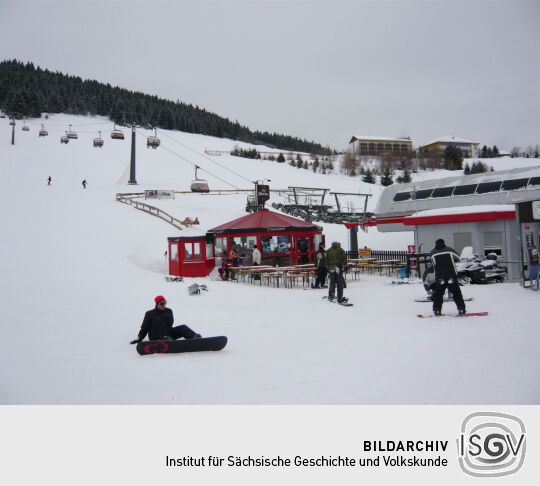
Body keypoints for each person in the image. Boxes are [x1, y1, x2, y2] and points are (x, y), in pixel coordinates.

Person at [130, 296, 201, 344]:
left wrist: (167, 319)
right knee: (160, 320)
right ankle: (166, 339)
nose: (164, 305)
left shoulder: (169, 311)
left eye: (165, 303)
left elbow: (170, 324)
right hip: (155, 336)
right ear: (157, 304)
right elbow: (144, 328)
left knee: (183, 327)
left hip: (168, 334)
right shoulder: (149, 313)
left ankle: (194, 338)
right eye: (162, 304)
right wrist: (139, 339)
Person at [430, 239, 466, 316]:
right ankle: (461, 309)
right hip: (451, 275)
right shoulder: (449, 250)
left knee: (438, 294)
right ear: (444, 243)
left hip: (440, 277)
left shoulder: (432, 252)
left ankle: (437, 310)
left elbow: (433, 263)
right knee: (457, 293)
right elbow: (458, 258)